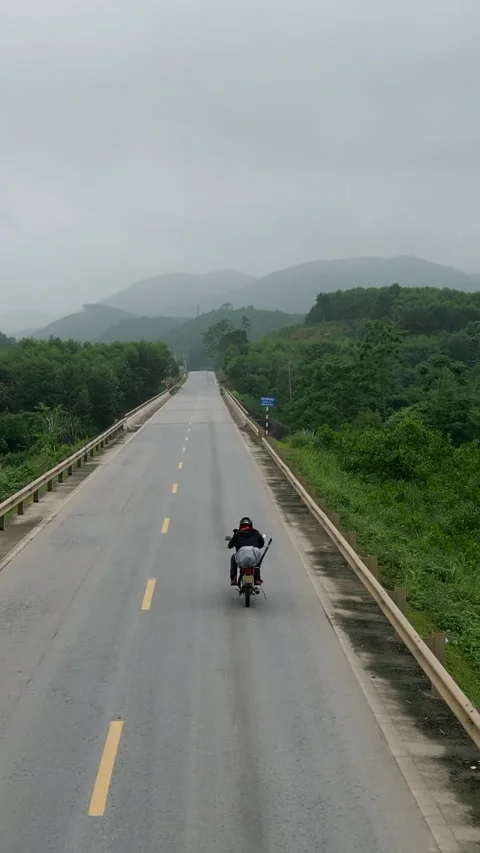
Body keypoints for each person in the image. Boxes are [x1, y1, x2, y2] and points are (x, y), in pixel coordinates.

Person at [227, 517, 265, 586]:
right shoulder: (256, 532)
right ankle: (257, 578)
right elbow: (262, 544)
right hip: (254, 555)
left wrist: (232, 543)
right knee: (257, 563)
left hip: (242, 556)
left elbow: (230, 545)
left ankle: (233, 578)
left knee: (233, 558)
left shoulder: (237, 534)